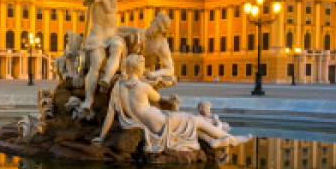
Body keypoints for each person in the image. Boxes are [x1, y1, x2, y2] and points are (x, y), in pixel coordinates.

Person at [96, 55, 250, 153]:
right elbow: (157, 97)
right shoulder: (143, 87)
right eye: (142, 67)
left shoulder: (118, 86)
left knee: (192, 124)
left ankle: (212, 141)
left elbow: (110, 114)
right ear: (138, 68)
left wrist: (101, 137)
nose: (145, 69)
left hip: (149, 123)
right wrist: (161, 89)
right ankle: (230, 139)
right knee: (196, 120)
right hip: (159, 122)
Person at [78, 0, 128, 119]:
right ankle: (89, 100)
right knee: (96, 63)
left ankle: (106, 78)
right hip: (97, 37)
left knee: (118, 46)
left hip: (111, 35)